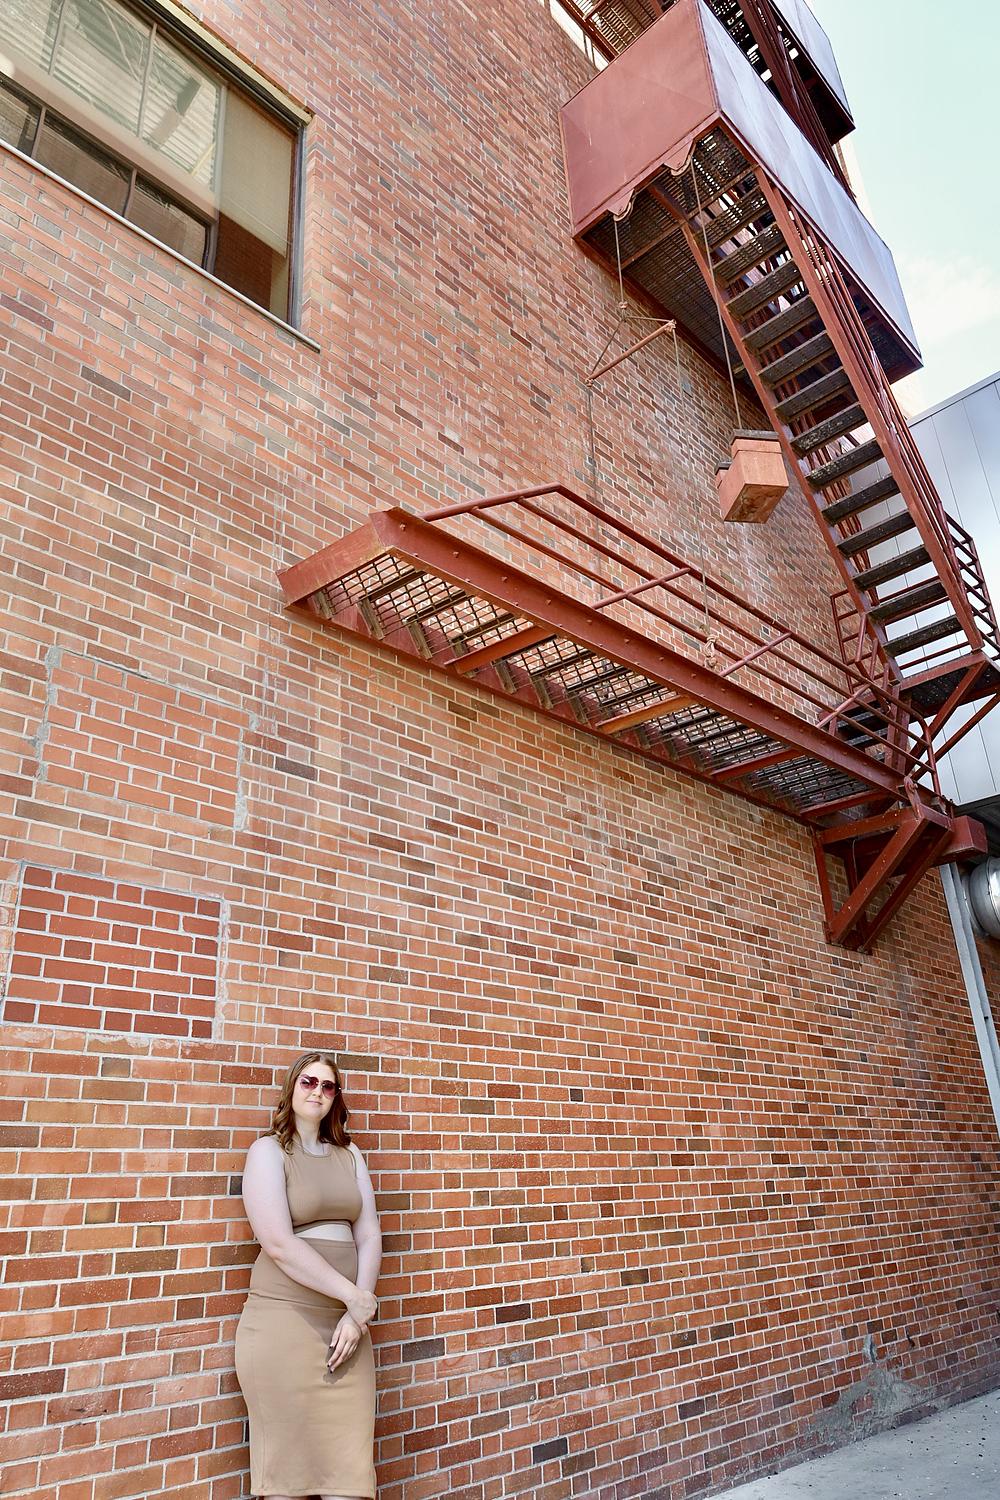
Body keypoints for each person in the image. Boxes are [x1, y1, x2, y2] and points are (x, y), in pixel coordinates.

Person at [235, 1051, 381, 1499]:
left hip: (346, 1331)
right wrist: (355, 1297)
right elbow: (278, 1242)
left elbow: (369, 1233)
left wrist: (357, 1313)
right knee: (287, 1482)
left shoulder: (349, 1154)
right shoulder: (268, 1152)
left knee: (351, 1481)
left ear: (336, 1097)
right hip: (284, 1326)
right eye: (308, 1082)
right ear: (292, 1088)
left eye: (328, 1085)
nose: (318, 1091)